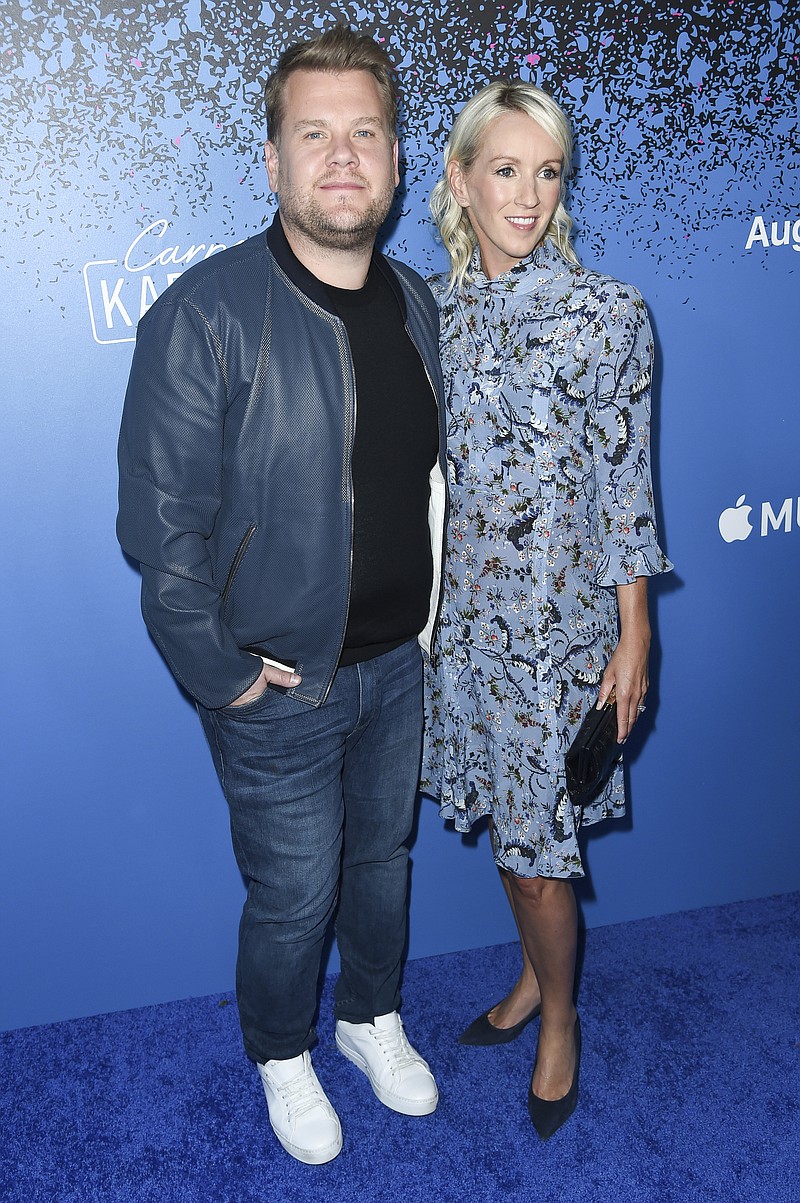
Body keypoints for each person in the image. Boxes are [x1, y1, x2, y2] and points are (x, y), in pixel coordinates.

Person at [117, 26, 447, 1165]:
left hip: (398, 668)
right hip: (279, 685)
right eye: (315, 134)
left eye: (364, 133)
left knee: (382, 867)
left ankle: (367, 1019)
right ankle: (282, 1052)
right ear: (272, 161)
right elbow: (159, 532)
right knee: (293, 893)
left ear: (396, 162)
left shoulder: (418, 305)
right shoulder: (202, 314)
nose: (342, 157)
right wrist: (220, 674)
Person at [422, 80, 672, 1139]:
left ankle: (558, 1016)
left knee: (537, 852)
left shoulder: (606, 313)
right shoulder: (429, 313)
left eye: (547, 171)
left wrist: (634, 631)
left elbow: (623, 486)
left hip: (554, 636)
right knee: (515, 838)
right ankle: (532, 980)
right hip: (463, 629)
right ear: (462, 180)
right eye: (505, 168)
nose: (526, 195)